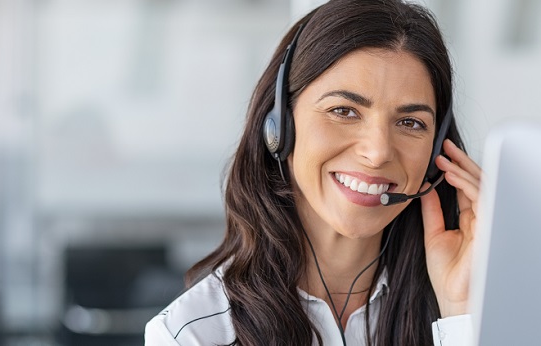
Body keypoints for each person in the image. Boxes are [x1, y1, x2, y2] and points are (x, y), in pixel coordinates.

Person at [146, 0, 481, 345]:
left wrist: (461, 310)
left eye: (410, 122)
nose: (378, 152)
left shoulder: (469, 309)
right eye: (344, 111)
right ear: (279, 127)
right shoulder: (193, 334)